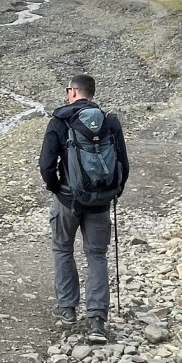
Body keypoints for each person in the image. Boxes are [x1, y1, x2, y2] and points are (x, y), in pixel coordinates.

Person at [39, 73, 129, 342]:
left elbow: (46, 165)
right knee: (97, 255)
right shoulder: (109, 121)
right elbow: (123, 164)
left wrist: (56, 187)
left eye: (68, 89)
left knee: (63, 249)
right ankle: (97, 318)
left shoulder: (60, 120)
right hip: (101, 202)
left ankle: (67, 309)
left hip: (68, 199)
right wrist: (113, 192)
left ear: (74, 92)